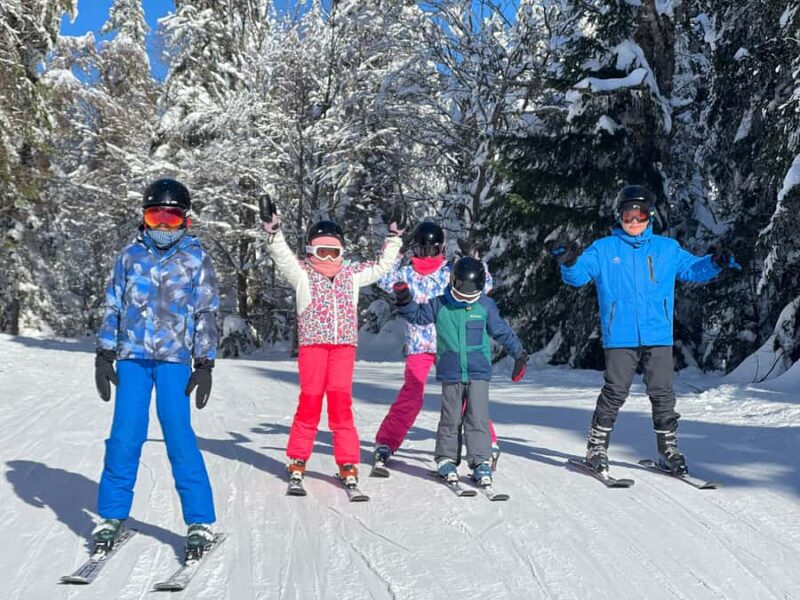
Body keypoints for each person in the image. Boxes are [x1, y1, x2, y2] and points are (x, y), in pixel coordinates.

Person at [548, 184, 740, 475]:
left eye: (639, 214)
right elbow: (577, 277)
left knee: (663, 392)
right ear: (620, 215)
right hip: (620, 334)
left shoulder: (666, 248)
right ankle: (596, 448)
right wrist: (569, 261)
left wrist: (716, 263)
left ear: (649, 216)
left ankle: (669, 450)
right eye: (628, 214)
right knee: (615, 391)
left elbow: (694, 269)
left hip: (658, 334)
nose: (633, 220)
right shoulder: (604, 249)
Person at [93, 178, 219, 561]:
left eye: (172, 216)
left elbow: (206, 312)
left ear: (186, 220)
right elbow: (113, 304)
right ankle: (113, 515)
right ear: (144, 217)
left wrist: (205, 361)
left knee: (178, 435)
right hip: (132, 357)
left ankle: (199, 520)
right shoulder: (129, 256)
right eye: (155, 215)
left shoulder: (196, 259)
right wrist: (104, 352)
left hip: (174, 360)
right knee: (124, 435)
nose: (163, 225)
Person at [260, 197, 404, 489]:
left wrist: (394, 238)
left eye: (333, 252)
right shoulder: (303, 274)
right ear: (311, 251)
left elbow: (381, 266)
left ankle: (347, 462)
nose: (327, 259)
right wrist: (274, 233)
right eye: (321, 252)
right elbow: (283, 256)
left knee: (341, 405)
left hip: (343, 349)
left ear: (342, 252)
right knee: (310, 402)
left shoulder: (351, 275)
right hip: (313, 348)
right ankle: (298, 459)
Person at [372, 222, 501, 473]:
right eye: (421, 250)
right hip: (420, 345)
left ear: (442, 248)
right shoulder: (407, 273)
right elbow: (383, 277)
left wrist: (473, 259)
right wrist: (393, 244)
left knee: (466, 395)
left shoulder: (450, 271)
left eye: (432, 250)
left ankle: (488, 443)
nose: (427, 255)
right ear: (414, 250)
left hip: (450, 344)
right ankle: (387, 441)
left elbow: (484, 285)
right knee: (412, 393)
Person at [392, 257, 528, 487]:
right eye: (461, 294)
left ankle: (480, 461)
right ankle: (446, 459)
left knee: (478, 418)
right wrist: (405, 300)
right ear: (453, 283)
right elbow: (417, 315)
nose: (465, 299)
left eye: (470, 296)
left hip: (478, 373)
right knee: (451, 418)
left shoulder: (485, 305)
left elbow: (502, 331)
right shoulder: (440, 304)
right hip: (451, 371)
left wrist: (519, 353)